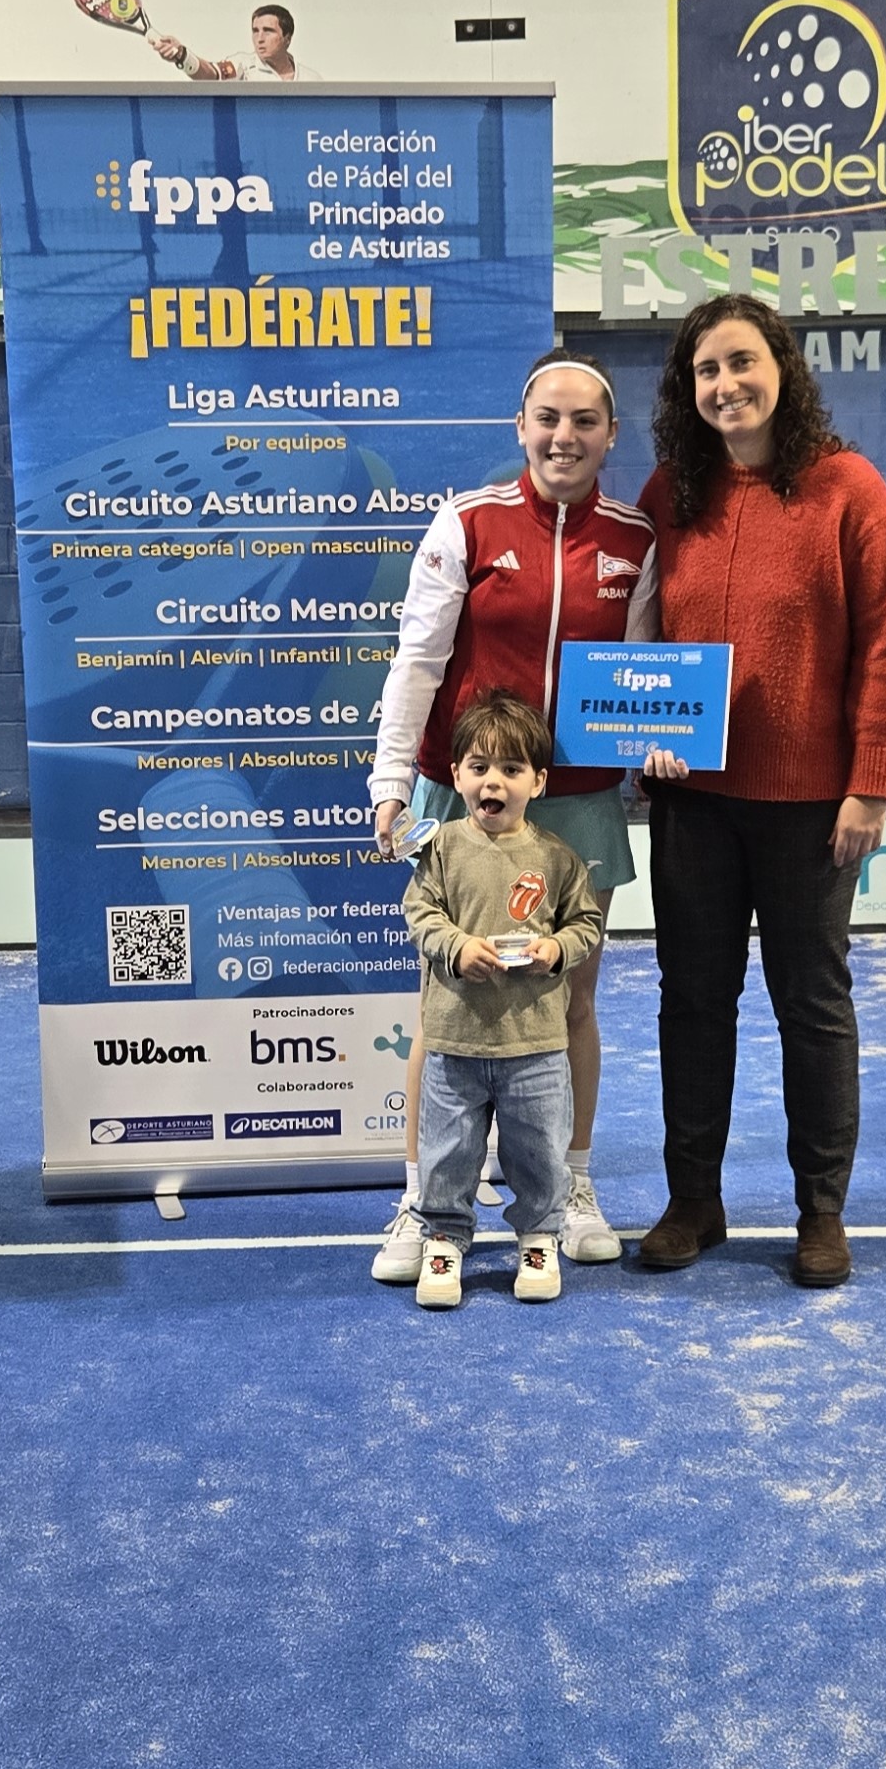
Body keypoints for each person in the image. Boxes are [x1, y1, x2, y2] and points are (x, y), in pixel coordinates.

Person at [636, 294, 886, 1290]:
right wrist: (643, 737)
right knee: (691, 1002)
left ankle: (819, 1211)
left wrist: (869, 784)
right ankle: (692, 1201)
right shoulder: (670, 491)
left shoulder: (849, 489)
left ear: (781, 369)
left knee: (811, 1004)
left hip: (810, 807)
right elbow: (639, 637)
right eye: (706, 370)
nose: (726, 385)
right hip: (693, 803)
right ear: (688, 389)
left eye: (741, 362)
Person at [366, 347, 658, 1282]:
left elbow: (647, 671)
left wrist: (660, 743)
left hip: (578, 804)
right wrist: (390, 781)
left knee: (571, 996)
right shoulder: (465, 522)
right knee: (445, 999)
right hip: (462, 797)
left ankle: (571, 1184)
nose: (564, 436)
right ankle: (421, 1196)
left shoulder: (636, 539)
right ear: (520, 427)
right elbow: (417, 661)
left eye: (584, 421)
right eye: (548, 418)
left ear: (610, 435)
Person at [401, 691, 606, 1311]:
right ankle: (443, 1239)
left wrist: (558, 949)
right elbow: (420, 912)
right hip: (455, 1043)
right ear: (456, 774)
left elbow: (587, 923)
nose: (494, 781)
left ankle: (539, 1238)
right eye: (480, 767)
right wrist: (456, 946)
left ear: (537, 782)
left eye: (512, 769)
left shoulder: (557, 858)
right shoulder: (439, 849)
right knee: (448, 1152)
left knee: (539, 1152)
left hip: (536, 1047)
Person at [152, 3, 321, 83]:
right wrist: (182, 56)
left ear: (287, 38)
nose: (260, 38)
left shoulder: (312, 79)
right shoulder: (242, 64)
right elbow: (211, 74)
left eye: (268, 31)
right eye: (255, 31)